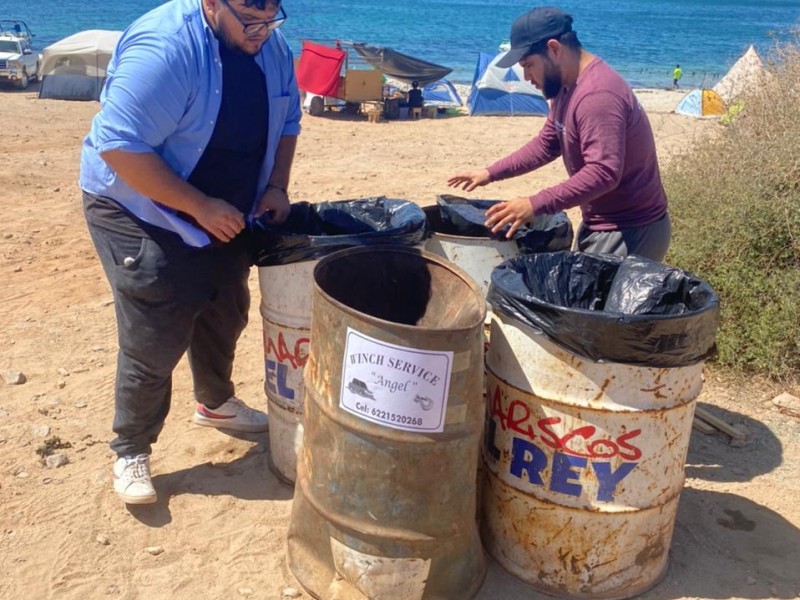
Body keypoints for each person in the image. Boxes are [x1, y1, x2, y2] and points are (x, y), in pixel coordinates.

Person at [79, 0, 301, 505]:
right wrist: (198, 205)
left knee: (226, 305)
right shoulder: (166, 49)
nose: (262, 31)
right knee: (158, 317)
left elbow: (288, 123)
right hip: (135, 201)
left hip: (225, 206)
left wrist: (277, 187)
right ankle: (131, 447)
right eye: (249, 19)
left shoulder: (272, 42)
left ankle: (216, 402)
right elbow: (118, 146)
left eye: (272, 17)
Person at [447, 6, 670, 261]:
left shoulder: (597, 96)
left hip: (630, 230)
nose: (527, 76)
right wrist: (490, 173)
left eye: (529, 65)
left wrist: (535, 204)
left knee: (592, 301)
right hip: (602, 223)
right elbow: (547, 144)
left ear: (554, 49)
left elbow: (604, 172)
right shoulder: (566, 87)